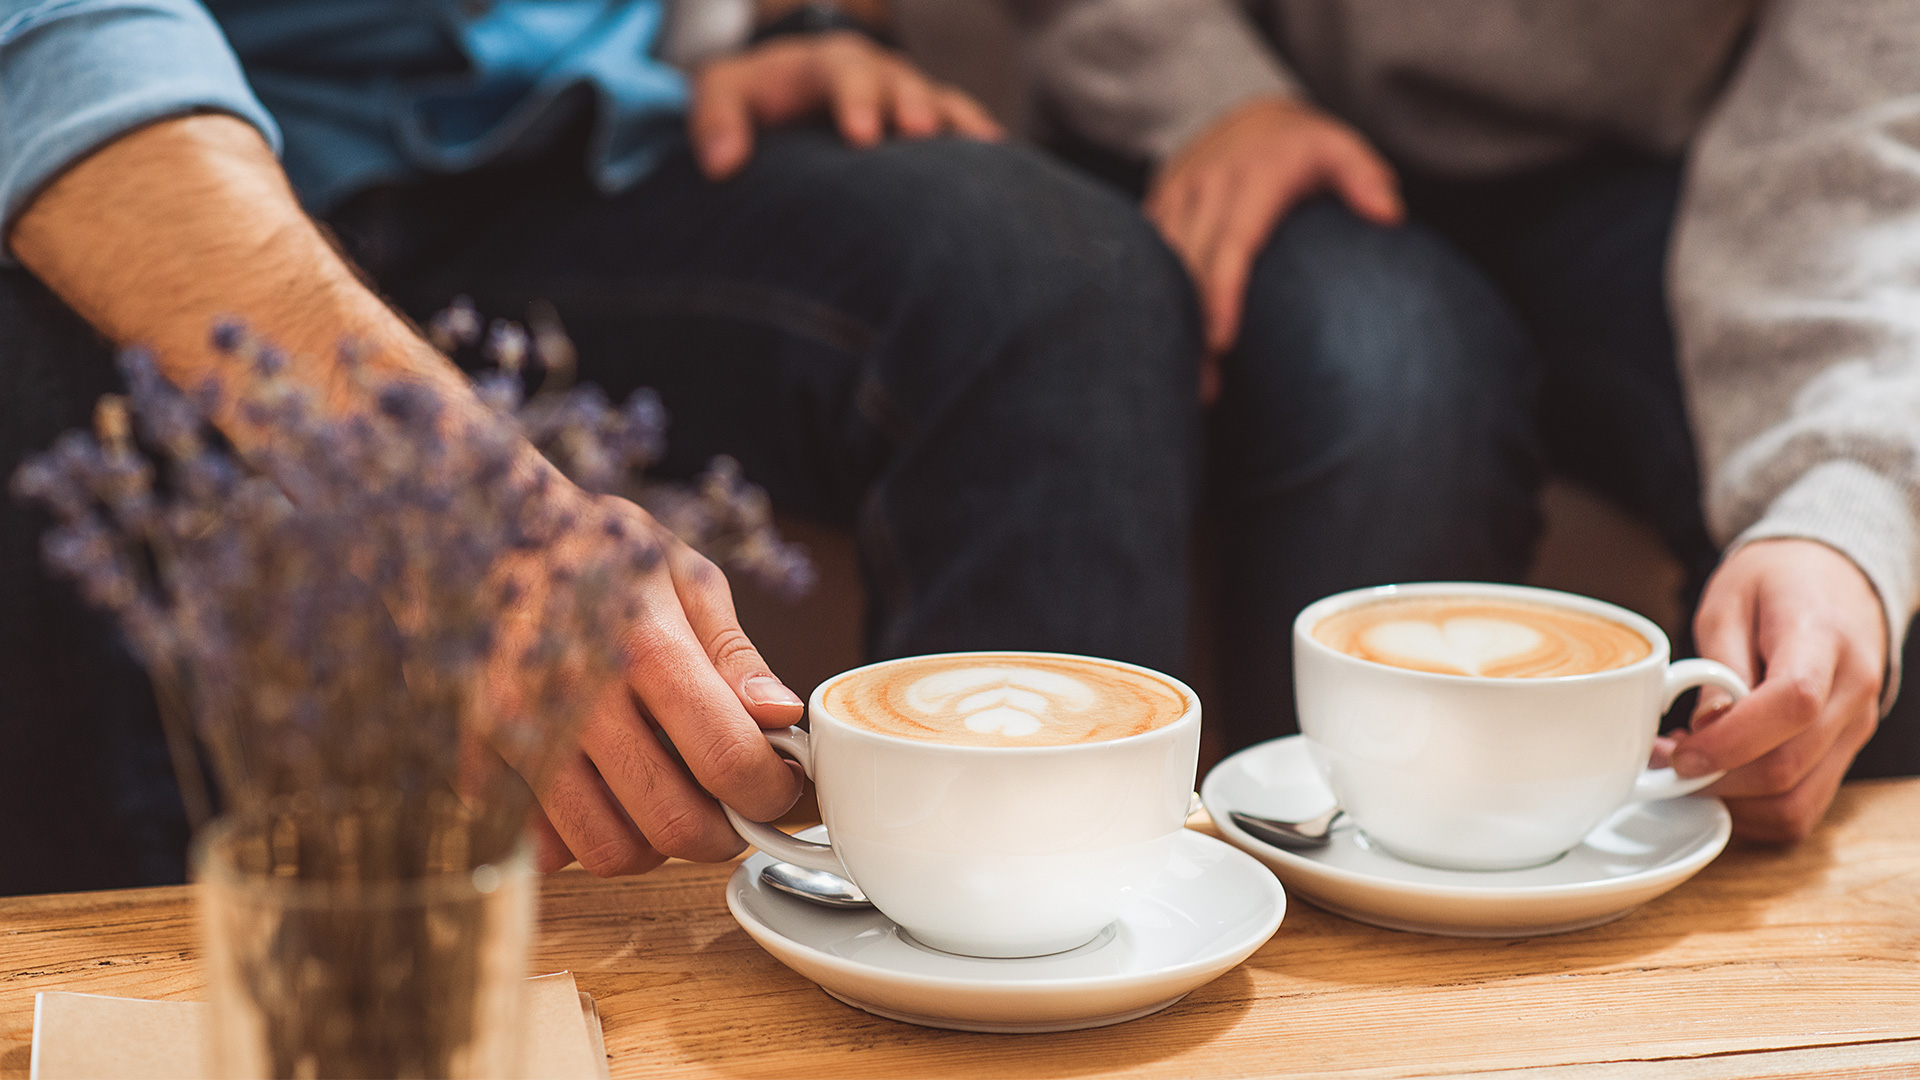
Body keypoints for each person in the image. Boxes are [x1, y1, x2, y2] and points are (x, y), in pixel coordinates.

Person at [0, 0, 1203, 893]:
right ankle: (123, 998)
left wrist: (767, 26)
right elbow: (55, 54)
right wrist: (456, 508)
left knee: (1049, 274)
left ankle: (1009, 946)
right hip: (173, 170)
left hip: (587, 141)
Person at [997, 0, 1920, 841]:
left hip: (1670, 167)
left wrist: (1850, 504)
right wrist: (1211, 92)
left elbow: (1854, 122)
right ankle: (1306, 917)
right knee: (1397, 401)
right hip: (1257, 101)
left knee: (1872, 584)